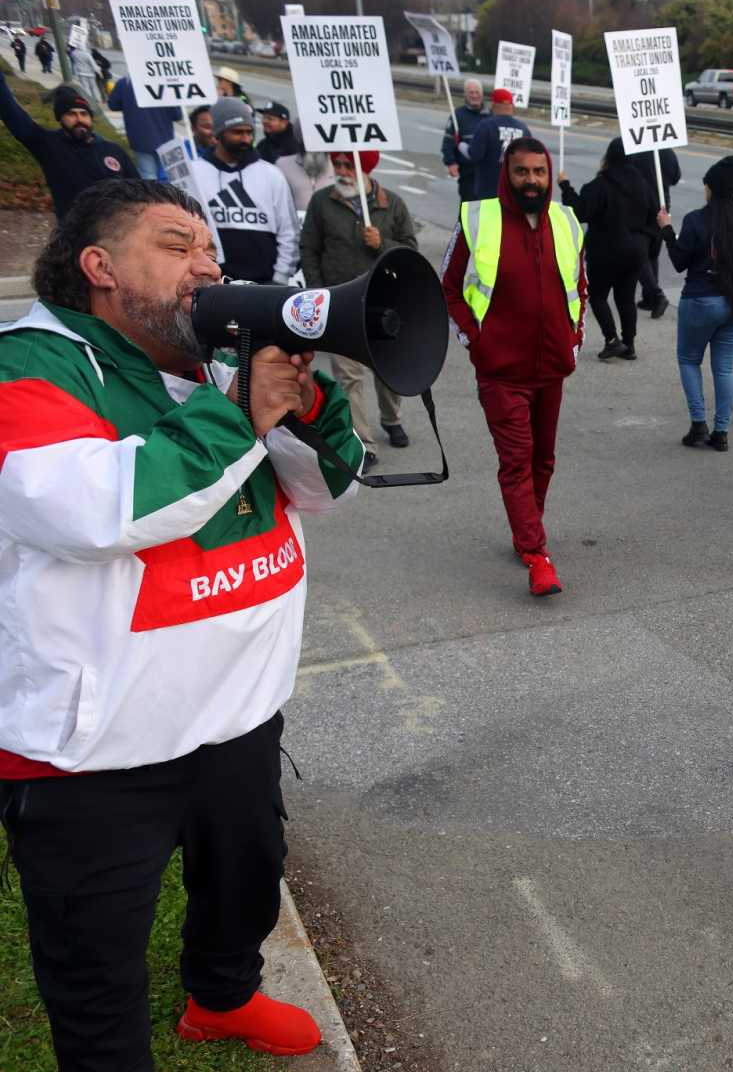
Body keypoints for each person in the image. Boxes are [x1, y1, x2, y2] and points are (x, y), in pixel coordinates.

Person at [0, 177, 363, 1071]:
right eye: (174, 246)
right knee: (96, 961)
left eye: (210, 248)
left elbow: (324, 490)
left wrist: (307, 408)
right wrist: (241, 410)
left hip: (237, 713)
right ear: (99, 268)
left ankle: (223, 996)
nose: (206, 266)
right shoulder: (28, 366)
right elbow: (99, 511)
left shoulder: (215, 359)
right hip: (94, 749)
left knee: (243, 883)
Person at [441, 137, 586, 598]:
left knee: (544, 459)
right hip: (501, 370)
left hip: (552, 368)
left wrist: (575, 338)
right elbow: (447, 288)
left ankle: (527, 532)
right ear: (508, 173)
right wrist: (475, 342)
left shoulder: (565, 220)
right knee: (517, 462)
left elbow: (580, 284)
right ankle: (537, 554)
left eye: (539, 173)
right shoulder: (476, 218)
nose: (531, 181)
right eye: (522, 172)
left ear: (549, 175)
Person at [300, 150, 420, 468]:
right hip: (339, 303)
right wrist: (318, 293)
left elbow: (410, 250)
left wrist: (382, 243)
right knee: (348, 376)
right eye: (337, 164)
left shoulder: (390, 203)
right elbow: (309, 248)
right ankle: (363, 442)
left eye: (348, 165)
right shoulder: (322, 202)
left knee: (386, 369)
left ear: (365, 169)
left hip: (383, 301)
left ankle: (391, 419)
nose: (341, 171)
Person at [656, 156, 733, 452]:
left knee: (689, 360)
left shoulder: (696, 220)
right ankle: (721, 432)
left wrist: (666, 229)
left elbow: (678, 261)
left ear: (710, 188)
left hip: (701, 301)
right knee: (724, 368)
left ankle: (698, 424)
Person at [557, 136, 656, 362]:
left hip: (605, 251)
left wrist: (565, 185)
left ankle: (612, 339)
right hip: (634, 253)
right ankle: (629, 344)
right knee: (626, 299)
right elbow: (653, 217)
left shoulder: (600, 185)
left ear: (608, 157)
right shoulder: (643, 185)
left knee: (599, 296)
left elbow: (579, 212)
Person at [191, 96, 299, 284]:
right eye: (237, 132)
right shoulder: (195, 172)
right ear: (218, 134)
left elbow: (289, 232)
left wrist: (280, 278)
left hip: (263, 284)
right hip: (212, 282)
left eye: (249, 132)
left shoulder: (272, 175)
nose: (246, 139)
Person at [0, 76, 137, 219]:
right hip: (74, 233)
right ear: (60, 119)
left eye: (84, 114)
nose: (79, 119)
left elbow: (138, 189)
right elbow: (12, 114)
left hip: (117, 229)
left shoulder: (113, 150)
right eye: (71, 114)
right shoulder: (48, 144)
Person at [632, 147, 681, 317]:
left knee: (638, 254)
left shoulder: (636, 149)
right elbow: (676, 177)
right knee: (653, 252)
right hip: (662, 205)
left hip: (641, 205)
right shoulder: (667, 151)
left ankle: (656, 295)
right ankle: (650, 298)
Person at [108, 73, 181, 180]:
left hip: (140, 138)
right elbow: (177, 115)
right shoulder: (165, 82)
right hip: (165, 138)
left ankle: (153, 196)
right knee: (170, 175)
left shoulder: (124, 83)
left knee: (148, 175)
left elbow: (113, 105)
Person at [464, 88, 531, 200]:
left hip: (488, 190)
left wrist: (461, 145)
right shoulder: (523, 128)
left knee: (487, 217)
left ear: (493, 104)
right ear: (511, 106)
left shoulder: (486, 125)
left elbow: (474, 155)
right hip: (515, 190)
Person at [441, 78, 488, 203]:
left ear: (482, 94)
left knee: (488, 212)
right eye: (471, 92)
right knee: (469, 211)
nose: (474, 95)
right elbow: (448, 142)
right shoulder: (458, 115)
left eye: (477, 92)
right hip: (468, 172)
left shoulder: (491, 115)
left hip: (488, 173)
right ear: (465, 94)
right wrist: (451, 162)